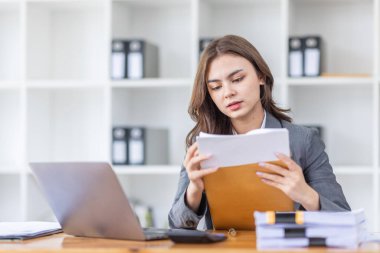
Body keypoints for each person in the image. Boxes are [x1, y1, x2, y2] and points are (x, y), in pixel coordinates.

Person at [168, 35, 350, 230]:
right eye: (216, 87)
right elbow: (176, 225)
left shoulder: (303, 140)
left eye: (237, 79)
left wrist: (305, 193)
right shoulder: (202, 145)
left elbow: (344, 220)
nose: (228, 92)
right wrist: (194, 188)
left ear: (261, 76)